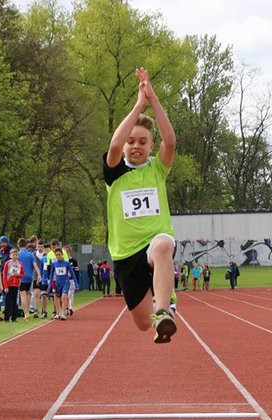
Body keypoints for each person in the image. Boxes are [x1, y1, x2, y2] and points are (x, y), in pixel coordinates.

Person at [103, 67, 178, 343]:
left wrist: (153, 98)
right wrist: (138, 105)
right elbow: (114, 146)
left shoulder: (157, 169)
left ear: (150, 146)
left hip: (154, 240)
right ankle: (161, 307)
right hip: (126, 254)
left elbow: (170, 141)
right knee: (144, 324)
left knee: (162, 246)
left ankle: (164, 310)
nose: (136, 146)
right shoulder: (115, 173)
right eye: (131, 141)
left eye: (143, 142)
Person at [49, 248, 78, 320]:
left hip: (65, 282)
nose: (58, 256)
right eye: (57, 255)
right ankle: (58, 313)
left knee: (64, 297)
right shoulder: (54, 264)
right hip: (58, 283)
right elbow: (51, 275)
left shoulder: (66, 263)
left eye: (59, 254)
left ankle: (63, 313)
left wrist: (76, 283)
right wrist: (50, 285)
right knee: (57, 298)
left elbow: (72, 273)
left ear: (62, 255)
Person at [17, 238, 40, 321]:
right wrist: (39, 275)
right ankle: (28, 311)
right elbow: (35, 266)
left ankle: (26, 314)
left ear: (18, 245)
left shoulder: (17, 255)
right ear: (26, 245)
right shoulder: (30, 255)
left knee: (23, 295)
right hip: (29, 277)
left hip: (21, 277)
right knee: (28, 294)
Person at [1, 248, 23, 322]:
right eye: (13, 255)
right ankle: (6, 318)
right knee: (8, 302)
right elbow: (4, 275)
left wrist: (18, 275)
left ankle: (14, 318)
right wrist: (5, 286)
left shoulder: (20, 264)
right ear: (10, 255)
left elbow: (22, 274)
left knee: (15, 302)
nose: (15, 256)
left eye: (16, 255)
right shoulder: (7, 263)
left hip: (16, 285)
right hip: (9, 285)